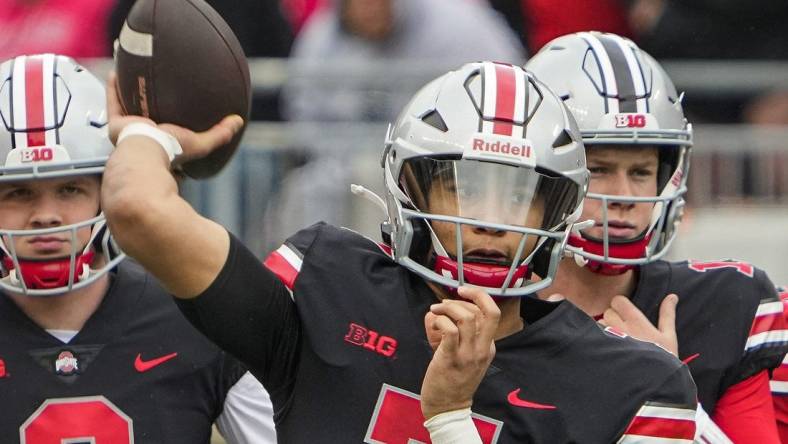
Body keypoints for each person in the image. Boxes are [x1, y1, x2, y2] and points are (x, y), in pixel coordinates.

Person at [101, 60, 698, 442]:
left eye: (518, 197)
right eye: (461, 189)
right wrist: (146, 135)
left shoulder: (632, 384)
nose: (489, 222)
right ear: (407, 189)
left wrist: (450, 419)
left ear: (558, 210)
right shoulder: (327, 288)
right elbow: (139, 212)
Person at [526, 31, 788, 443]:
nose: (625, 197)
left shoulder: (726, 303)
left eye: (641, 173)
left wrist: (666, 388)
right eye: (600, 171)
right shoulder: (486, 311)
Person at [0, 54, 276, 443]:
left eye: (69, 189)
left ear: (104, 190)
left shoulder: (196, 322)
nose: (46, 216)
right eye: (19, 193)